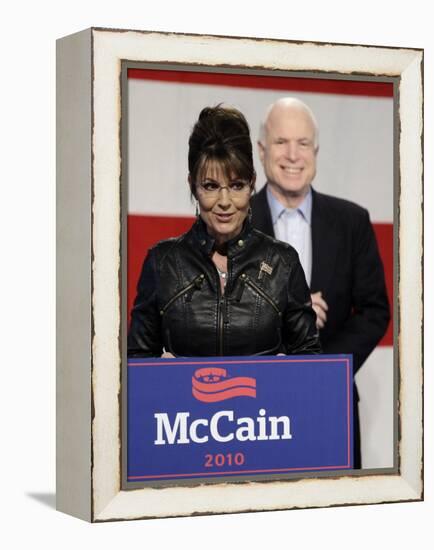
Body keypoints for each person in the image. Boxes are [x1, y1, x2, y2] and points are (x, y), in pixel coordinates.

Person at [251, 97, 390, 467]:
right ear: (262, 150)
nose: (293, 154)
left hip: (332, 403)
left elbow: (375, 312)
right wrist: (285, 312)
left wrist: (324, 370)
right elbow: (212, 312)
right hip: (251, 409)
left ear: (316, 150)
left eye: (304, 143)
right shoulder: (234, 224)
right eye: (281, 142)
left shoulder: (351, 221)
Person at [128, 105, 321, 358]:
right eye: (210, 186)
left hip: (263, 400)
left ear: (252, 184)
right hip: (182, 400)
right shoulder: (163, 263)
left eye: (236, 185)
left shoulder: (282, 263)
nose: (225, 201)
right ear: (193, 186)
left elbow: (310, 364)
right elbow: (136, 365)